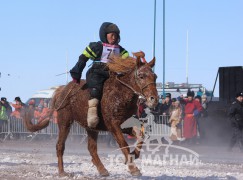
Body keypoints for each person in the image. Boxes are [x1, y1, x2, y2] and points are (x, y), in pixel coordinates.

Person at [70, 22, 129, 128]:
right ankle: (92, 114)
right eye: (112, 35)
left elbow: (128, 62)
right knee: (96, 89)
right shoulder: (96, 46)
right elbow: (83, 59)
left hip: (112, 74)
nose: (114, 37)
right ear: (104, 35)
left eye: (116, 35)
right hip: (96, 73)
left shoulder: (121, 50)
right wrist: (76, 73)